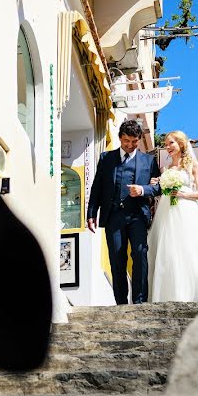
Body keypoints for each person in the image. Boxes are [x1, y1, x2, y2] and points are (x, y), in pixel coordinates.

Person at [86, 119, 160, 304]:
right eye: (127, 141)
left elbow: (158, 188)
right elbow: (97, 187)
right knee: (117, 259)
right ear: (120, 138)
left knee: (140, 255)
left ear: (139, 140)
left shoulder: (149, 161)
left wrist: (143, 190)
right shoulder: (106, 158)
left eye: (134, 142)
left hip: (138, 216)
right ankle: (121, 303)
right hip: (114, 216)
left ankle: (140, 301)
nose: (130, 145)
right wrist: (91, 213)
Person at [147, 131, 198, 303]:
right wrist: (157, 184)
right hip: (166, 213)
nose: (168, 147)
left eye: (171, 143)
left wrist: (183, 194)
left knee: (188, 250)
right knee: (168, 252)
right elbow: (162, 192)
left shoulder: (192, 165)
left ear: (181, 144)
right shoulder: (165, 169)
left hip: (186, 212)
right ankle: (169, 295)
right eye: (166, 144)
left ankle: (192, 295)